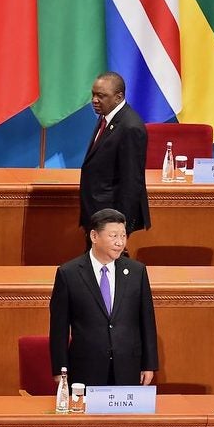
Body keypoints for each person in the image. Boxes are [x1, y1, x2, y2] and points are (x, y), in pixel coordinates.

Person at [49, 208, 158, 386]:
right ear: (94, 236)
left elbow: (147, 320)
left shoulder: (137, 272)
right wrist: (60, 369)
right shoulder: (69, 273)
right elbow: (59, 328)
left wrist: (149, 364)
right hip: (85, 368)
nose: (120, 242)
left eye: (123, 236)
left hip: (127, 366)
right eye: (113, 236)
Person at [79, 72, 150, 239]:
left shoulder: (130, 127)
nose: (94, 100)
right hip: (97, 213)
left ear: (118, 97)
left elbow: (131, 182)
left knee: (109, 263)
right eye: (93, 94)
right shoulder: (106, 116)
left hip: (111, 218)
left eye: (101, 96)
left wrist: (120, 226)